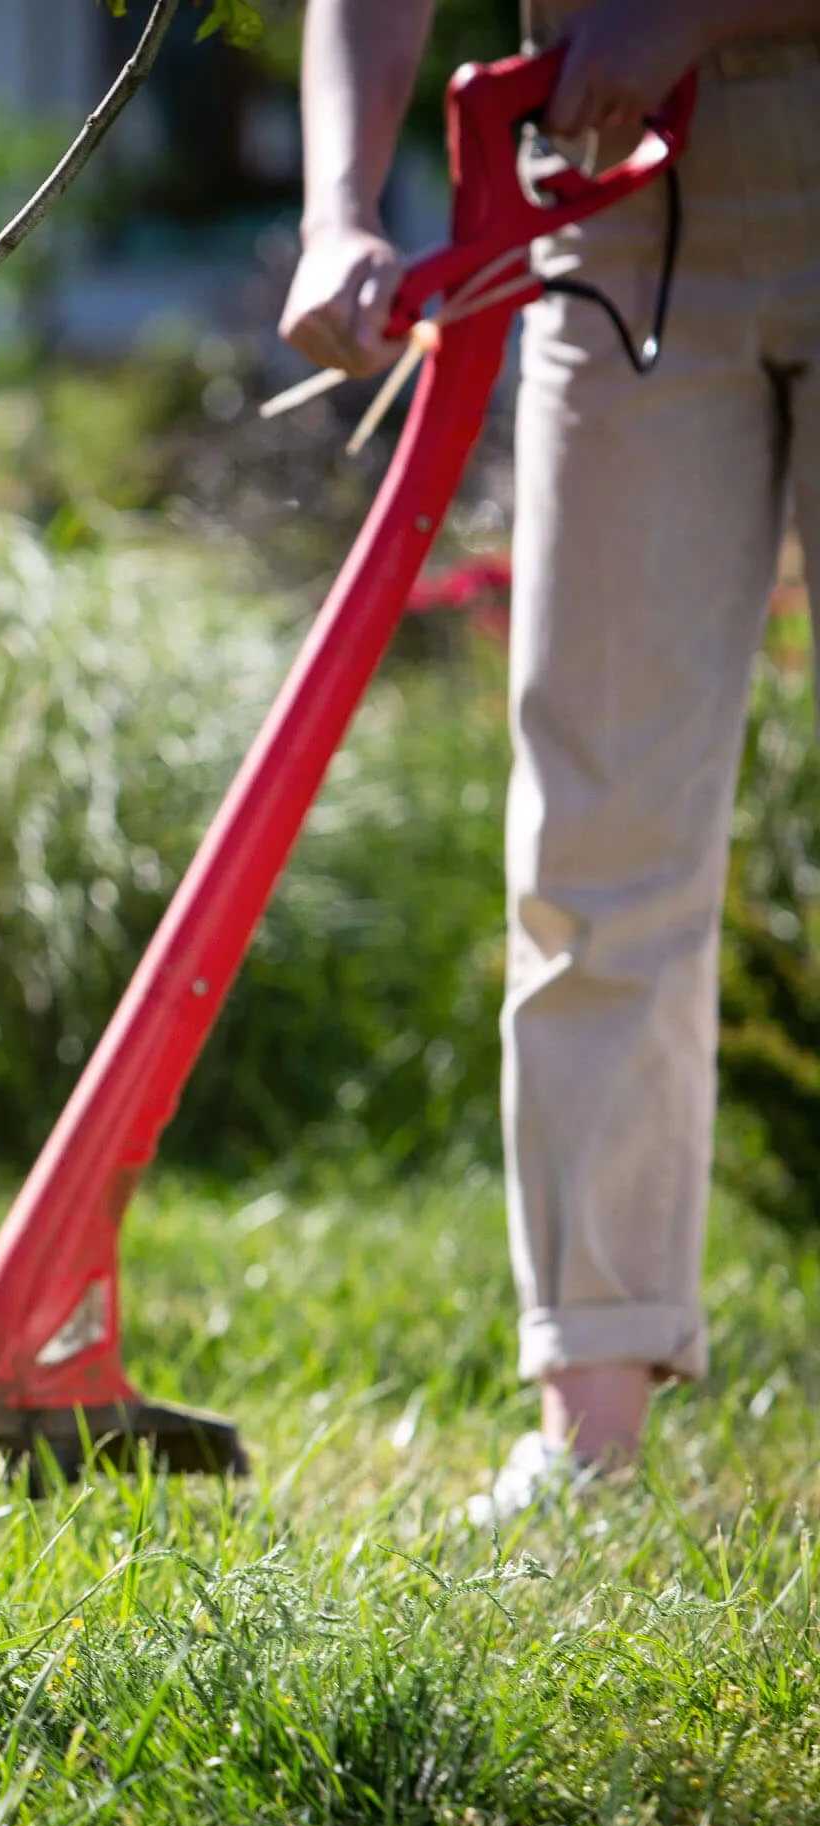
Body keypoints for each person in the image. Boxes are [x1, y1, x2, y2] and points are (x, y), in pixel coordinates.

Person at [280, 0, 820, 1487]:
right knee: (597, 814)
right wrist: (339, 208)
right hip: (614, 202)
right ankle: (589, 1433)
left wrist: (690, 16)